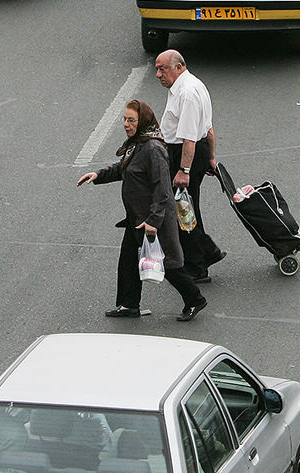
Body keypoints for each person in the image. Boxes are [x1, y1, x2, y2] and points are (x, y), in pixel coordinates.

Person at [78, 100, 207, 322]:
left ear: (142, 121)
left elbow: (163, 190)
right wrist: (98, 175)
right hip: (136, 218)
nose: (126, 124)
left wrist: (153, 222)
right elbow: (123, 168)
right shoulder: (137, 143)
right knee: (128, 260)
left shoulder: (153, 149)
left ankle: (195, 299)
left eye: (131, 120)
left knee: (168, 264)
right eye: (125, 120)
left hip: (153, 220)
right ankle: (128, 304)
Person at [154, 50, 226, 282]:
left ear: (178, 67)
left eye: (162, 69)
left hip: (186, 155)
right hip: (194, 154)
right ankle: (204, 254)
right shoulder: (189, 85)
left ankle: (199, 264)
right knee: (186, 207)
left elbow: (189, 138)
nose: (158, 74)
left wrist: (184, 170)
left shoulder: (187, 93)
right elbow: (209, 127)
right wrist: (210, 158)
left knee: (182, 210)